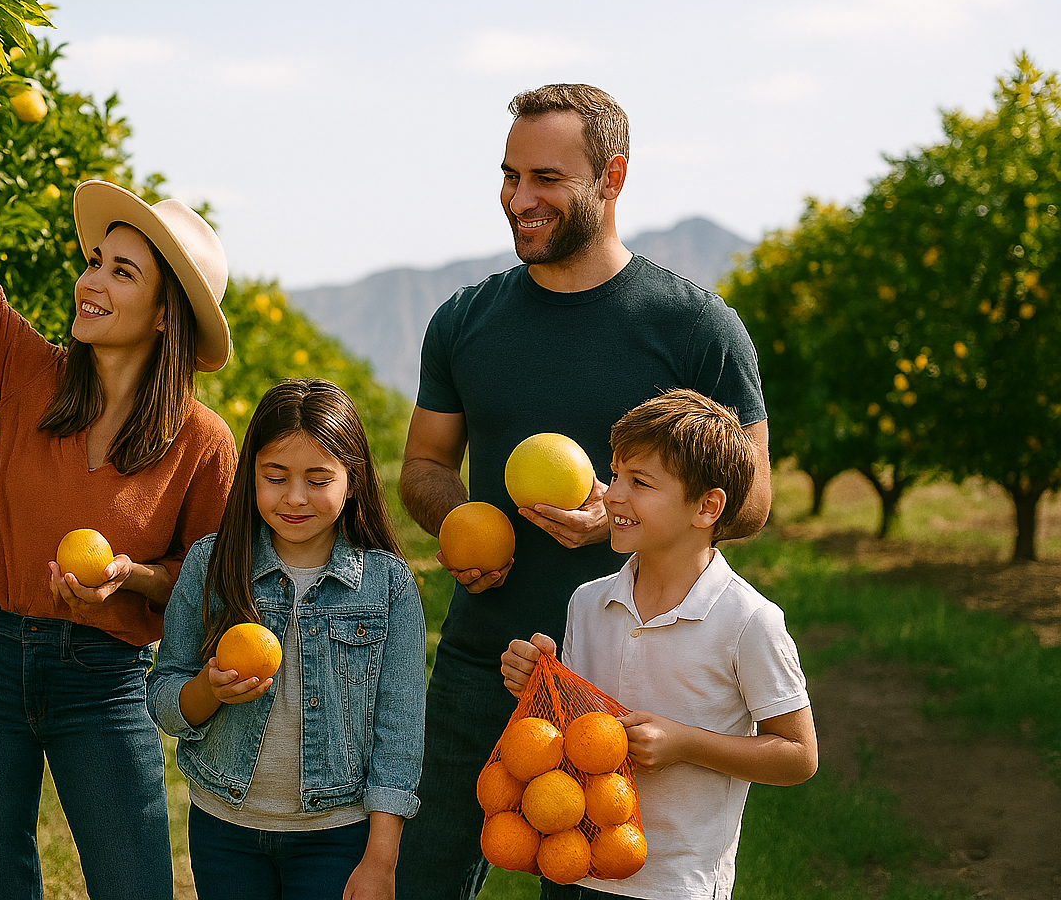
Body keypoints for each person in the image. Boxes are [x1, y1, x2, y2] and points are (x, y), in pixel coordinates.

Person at [0, 47, 238, 900]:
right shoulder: (32, 374)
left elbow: (210, 583)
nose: (89, 280)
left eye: (120, 270)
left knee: (134, 883)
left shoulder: (202, 442)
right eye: (94, 261)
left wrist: (129, 578)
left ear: (164, 311)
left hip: (101, 681)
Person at [394, 84, 773, 900]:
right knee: (423, 880)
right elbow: (423, 465)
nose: (518, 200)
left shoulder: (697, 329)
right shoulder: (465, 322)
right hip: (481, 660)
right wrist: (462, 524)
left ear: (613, 177)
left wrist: (621, 517)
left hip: (619, 682)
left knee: (586, 885)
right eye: (508, 176)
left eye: (546, 179)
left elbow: (750, 501)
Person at [500, 389, 817, 899]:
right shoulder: (588, 602)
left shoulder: (747, 620)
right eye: (616, 474)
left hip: (677, 883)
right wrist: (540, 684)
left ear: (707, 507)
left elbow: (799, 755)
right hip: (577, 862)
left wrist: (685, 743)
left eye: (640, 482)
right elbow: (579, 734)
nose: (612, 495)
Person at [146, 378, 427, 900]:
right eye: (275, 477)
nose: (294, 498)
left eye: (318, 479)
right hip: (224, 828)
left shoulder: (387, 585)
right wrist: (209, 690)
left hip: (336, 835)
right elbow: (164, 696)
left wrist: (381, 860)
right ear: (250, 474)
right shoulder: (212, 566)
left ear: (352, 480)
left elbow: (401, 736)